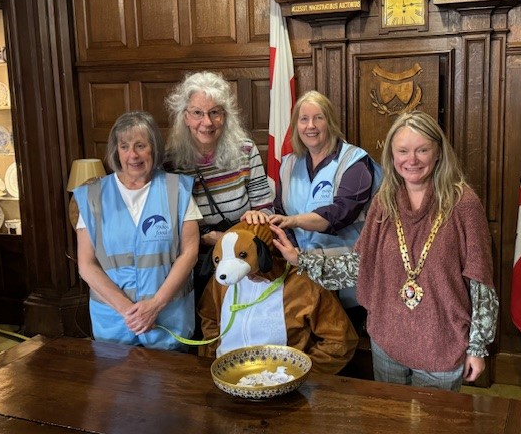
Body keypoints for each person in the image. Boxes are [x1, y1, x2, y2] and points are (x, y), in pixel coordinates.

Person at [271, 110, 499, 391]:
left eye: (422, 150)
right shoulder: (384, 202)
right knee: (390, 421)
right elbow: (360, 265)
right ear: (392, 156)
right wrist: (301, 259)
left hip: (442, 343)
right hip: (387, 341)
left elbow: (480, 283)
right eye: (402, 151)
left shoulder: (463, 204)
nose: (411, 160)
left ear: (438, 152)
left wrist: (477, 347)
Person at [74, 111, 201, 351]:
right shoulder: (93, 196)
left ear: (154, 148)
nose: (133, 155)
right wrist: (128, 312)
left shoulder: (177, 189)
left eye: (140, 145)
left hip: (168, 320)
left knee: (170, 387)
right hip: (114, 323)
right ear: (116, 151)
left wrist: (154, 306)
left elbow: (189, 254)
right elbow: (86, 265)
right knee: (117, 387)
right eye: (125, 146)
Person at [163, 71, 274, 332]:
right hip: (199, 265)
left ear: (226, 116)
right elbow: (168, 226)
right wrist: (207, 240)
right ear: (185, 117)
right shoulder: (170, 163)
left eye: (215, 112)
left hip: (246, 262)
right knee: (210, 331)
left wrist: (257, 220)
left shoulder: (246, 150)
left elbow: (264, 207)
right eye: (198, 113)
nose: (207, 122)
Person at [267, 90, 381, 327]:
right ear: (296, 125)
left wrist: (296, 221)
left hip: (347, 282)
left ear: (330, 121)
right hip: (301, 277)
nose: (311, 126)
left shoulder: (355, 162)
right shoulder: (288, 164)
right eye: (304, 119)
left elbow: (341, 213)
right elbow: (280, 211)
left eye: (318, 118)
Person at [197, 222, 358, 374]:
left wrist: (301, 373)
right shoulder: (223, 281)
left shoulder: (303, 283)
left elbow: (340, 340)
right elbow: (208, 317)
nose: (250, 278)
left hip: (283, 381)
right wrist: (212, 359)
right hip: (226, 376)